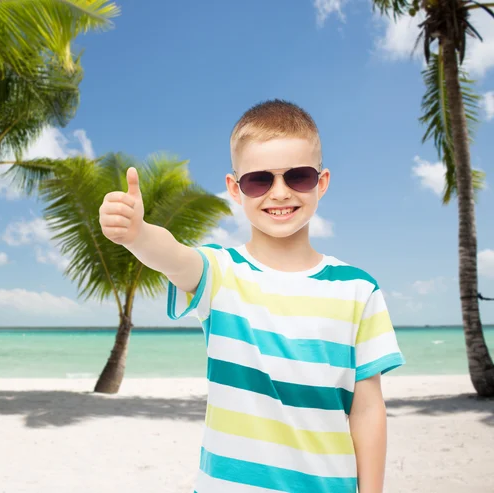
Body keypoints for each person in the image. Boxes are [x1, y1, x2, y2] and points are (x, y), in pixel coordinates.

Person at [99, 99, 405, 493]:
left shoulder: (359, 289)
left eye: (298, 176)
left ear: (322, 182)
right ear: (235, 188)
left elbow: (366, 410)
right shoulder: (220, 274)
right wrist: (139, 234)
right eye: (259, 180)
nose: (279, 193)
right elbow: (173, 257)